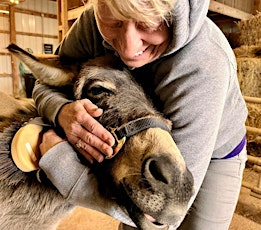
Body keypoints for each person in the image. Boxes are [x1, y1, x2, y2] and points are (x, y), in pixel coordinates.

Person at [32, 0, 248, 229]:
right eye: (114, 23)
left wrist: (62, 167)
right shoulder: (94, 22)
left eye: (147, 24)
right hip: (143, 133)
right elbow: (46, 84)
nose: (128, 49)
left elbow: (164, 214)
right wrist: (60, 111)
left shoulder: (203, 64)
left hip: (214, 151)